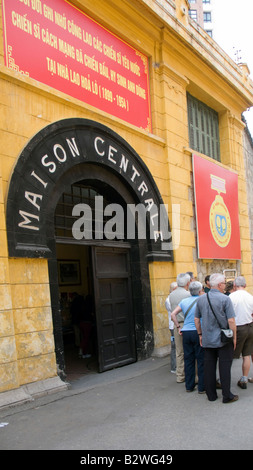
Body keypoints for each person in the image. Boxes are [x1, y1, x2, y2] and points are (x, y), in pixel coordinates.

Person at [194, 273, 238, 404]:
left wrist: (200, 334)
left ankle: (211, 395)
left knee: (209, 367)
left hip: (208, 338)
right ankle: (226, 395)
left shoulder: (201, 299)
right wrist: (234, 337)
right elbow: (231, 320)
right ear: (219, 285)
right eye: (224, 283)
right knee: (225, 367)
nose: (225, 285)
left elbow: (196, 319)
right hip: (223, 339)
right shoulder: (225, 299)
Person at [171, 281, 204, 393]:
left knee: (188, 359)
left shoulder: (184, 301)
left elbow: (173, 314)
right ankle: (201, 387)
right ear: (199, 291)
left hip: (186, 332)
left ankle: (189, 386)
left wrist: (178, 326)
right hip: (197, 331)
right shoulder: (201, 301)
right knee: (200, 359)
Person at [229, 276, 253, 389]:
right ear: (245, 285)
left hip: (237, 328)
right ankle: (244, 378)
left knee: (231, 354)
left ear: (234, 285)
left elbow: (229, 316)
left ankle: (224, 377)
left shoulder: (231, 297)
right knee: (247, 354)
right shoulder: (250, 297)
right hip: (250, 326)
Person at [169, 273, 191, 383]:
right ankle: (192, 375)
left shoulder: (172, 295)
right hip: (187, 324)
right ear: (188, 283)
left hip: (176, 323)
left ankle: (180, 375)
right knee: (190, 350)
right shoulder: (188, 294)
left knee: (179, 351)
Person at [165, 281, 177, 373]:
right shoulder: (169, 300)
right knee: (174, 347)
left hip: (175, 325)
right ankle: (174, 367)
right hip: (173, 326)